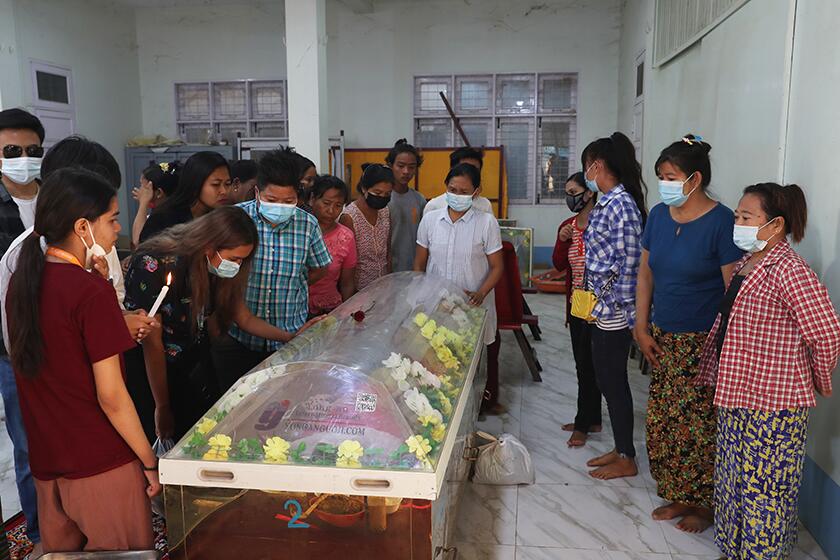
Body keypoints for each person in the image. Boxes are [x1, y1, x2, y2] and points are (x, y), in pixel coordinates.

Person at [8, 167, 160, 553]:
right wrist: (148, 460)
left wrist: (103, 285)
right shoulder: (88, 292)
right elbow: (112, 396)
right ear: (82, 227)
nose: (116, 230)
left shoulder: (24, 283)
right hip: (98, 463)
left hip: (48, 462)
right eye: (111, 219)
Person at [696, 183, 840, 559]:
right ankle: (735, 549)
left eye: (746, 217)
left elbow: (825, 332)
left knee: (766, 492)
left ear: (775, 224)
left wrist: (819, 380)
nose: (738, 223)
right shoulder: (751, 261)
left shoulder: (790, 270)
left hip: (773, 406)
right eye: (737, 216)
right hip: (738, 395)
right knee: (733, 482)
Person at [634, 135, 744, 533]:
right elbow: (645, 273)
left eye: (670, 176)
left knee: (699, 423)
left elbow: (732, 290)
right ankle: (680, 493)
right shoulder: (660, 216)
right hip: (663, 335)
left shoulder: (721, 222)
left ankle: (705, 503)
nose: (664, 183)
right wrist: (641, 325)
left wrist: (727, 347)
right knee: (665, 420)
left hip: (703, 341)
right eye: (661, 176)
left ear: (694, 179)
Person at [125, 207, 301, 440]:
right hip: (152, 371)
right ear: (209, 246)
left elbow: (244, 317)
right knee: (159, 438)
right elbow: (152, 343)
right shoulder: (155, 263)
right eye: (234, 258)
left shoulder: (216, 268)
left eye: (242, 260)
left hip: (192, 362)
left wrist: (290, 337)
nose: (237, 265)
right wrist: (163, 406)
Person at [214, 149, 331, 384]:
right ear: (257, 192)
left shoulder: (307, 224)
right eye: (271, 200)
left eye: (288, 201)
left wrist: (291, 282)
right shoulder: (237, 219)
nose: (280, 206)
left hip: (290, 338)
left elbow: (320, 267)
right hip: (240, 340)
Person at [580, 131, 646, 480]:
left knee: (613, 380)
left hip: (615, 310)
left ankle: (627, 456)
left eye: (586, 167)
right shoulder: (607, 201)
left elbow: (630, 263)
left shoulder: (620, 205)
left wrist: (627, 314)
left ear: (597, 165)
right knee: (606, 379)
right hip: (603, 306)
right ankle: (621, 447)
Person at [414, 163, 504, 411]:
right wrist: (422, 296)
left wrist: (481, 292)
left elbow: (497, 266)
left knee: (469, 361)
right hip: (437, 305)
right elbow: (419, 263)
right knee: (437, 361)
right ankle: (441, 412)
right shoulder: (431, 220)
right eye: (452, 189)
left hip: (472, 306)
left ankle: (471, 411)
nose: (457, 195)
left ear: (476, 192)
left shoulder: (486, 223)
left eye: (464, 191)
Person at [0, 107, 44, 551]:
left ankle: (78, 520)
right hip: (13, 348)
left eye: (32, 150)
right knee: (29, 443)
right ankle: (40, 534)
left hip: (66, 337)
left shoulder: (59, 198)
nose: (23, 158)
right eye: (12, 151)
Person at [552, 171, 601, 447]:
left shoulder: (602, 221)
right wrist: (561, 239)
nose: (570, 198)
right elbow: (559, 265)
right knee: (583, 364)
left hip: (602, 304)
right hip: (578, 302)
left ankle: (583, 424)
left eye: (574, 193)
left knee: (594, 366)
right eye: (567, 193)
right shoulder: (569, 225)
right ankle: (590, 418)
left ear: (589, 193)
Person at [139, 151, 231, 242]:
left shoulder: (223, 216)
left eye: (227, 184)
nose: (224, 191)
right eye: (216, 184)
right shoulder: (165, 219)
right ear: (196, 183)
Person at [308, 175, 357, 315]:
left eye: (338, 206)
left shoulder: (346, 237)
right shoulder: (299, 231)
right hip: (296, 308)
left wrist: (346, 314)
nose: (331, 211)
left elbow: (347, 283)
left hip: (330, 310)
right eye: (326, 203)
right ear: (312, 199)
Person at [340, 163, 392, 290]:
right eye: (377, 192)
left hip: (383, 286)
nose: (382, 198)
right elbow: (347, 265)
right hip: (359, 289)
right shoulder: (350, 217)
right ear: (364, 188)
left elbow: (388, 251)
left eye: (387, 194)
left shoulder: (385, 211)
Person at [386, 139, 427, 272]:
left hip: (414, 269)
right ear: (390, 165)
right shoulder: (383, 200)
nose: (406, 171)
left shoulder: (419, 200)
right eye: (401, 165)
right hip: (388, 271)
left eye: (411, 167)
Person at [424, 147, 493, 215]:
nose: (470, 173)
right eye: (465, 168)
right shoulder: (434, 206)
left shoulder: (484, 205)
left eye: (475, 170)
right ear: (452, 170)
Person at [131, 161, 181, 247]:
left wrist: (143, 204)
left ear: (158, 193)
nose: (140, 189)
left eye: (143, 186)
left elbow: (138, 242)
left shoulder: (163, 218)